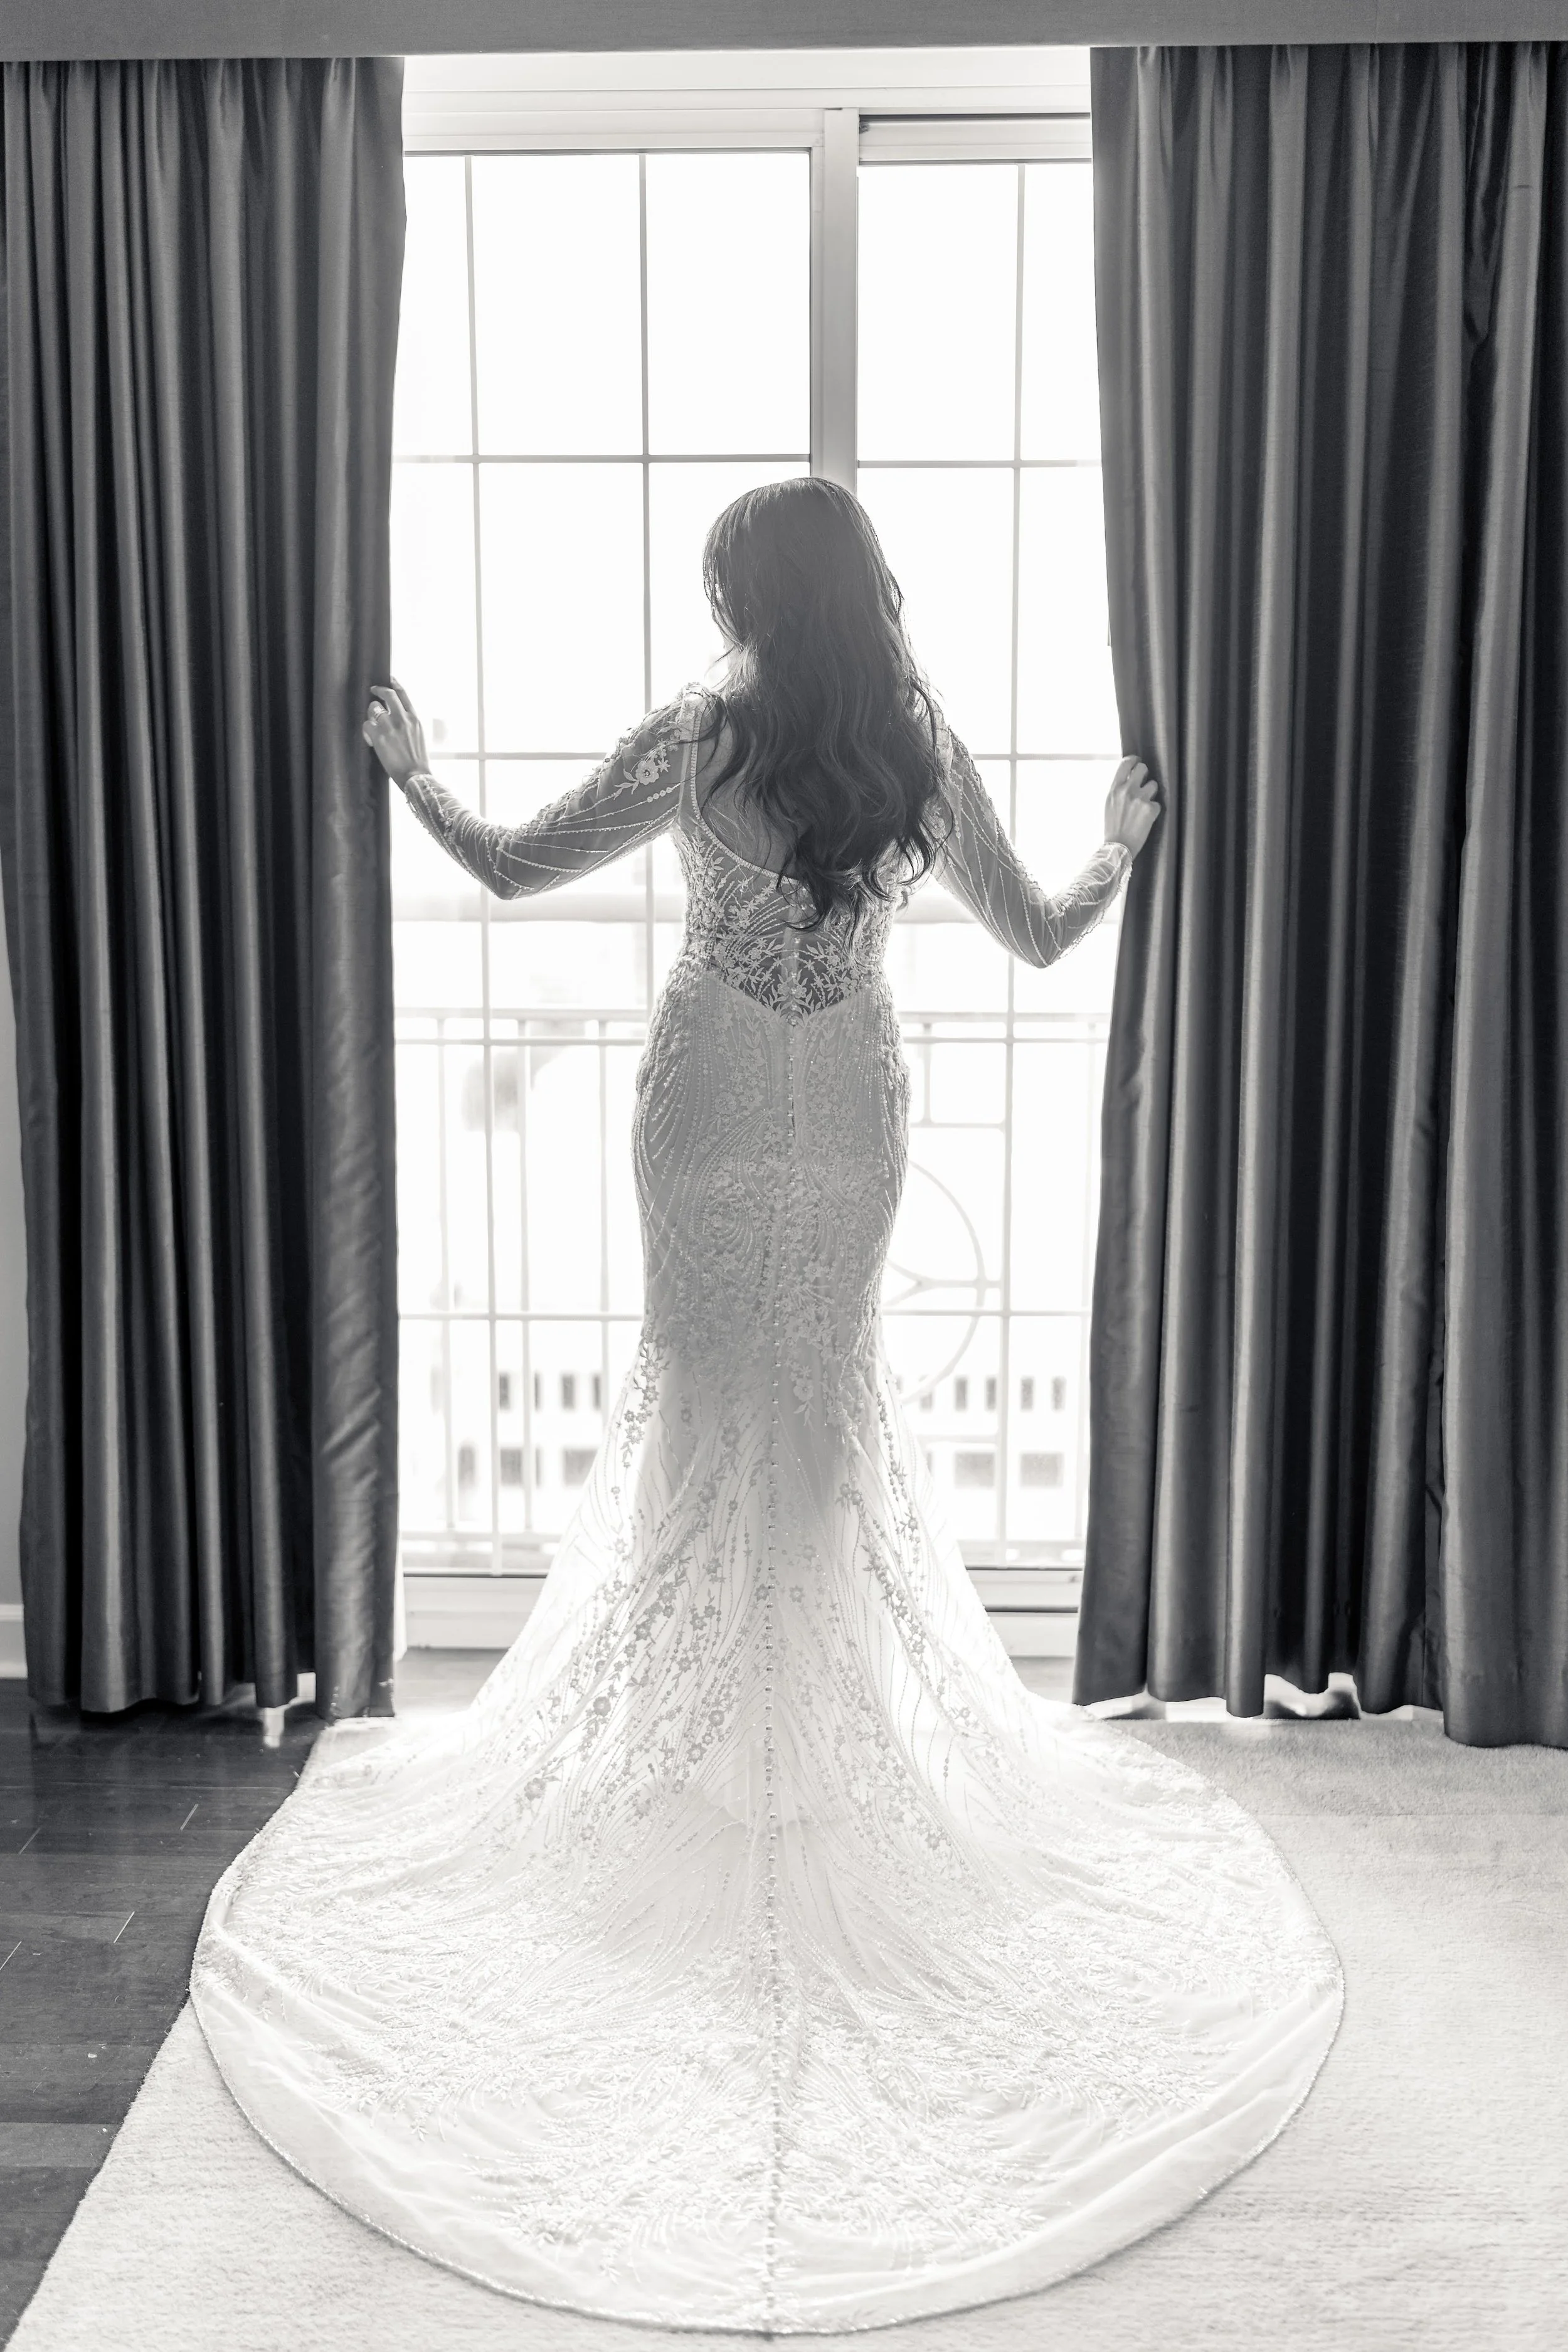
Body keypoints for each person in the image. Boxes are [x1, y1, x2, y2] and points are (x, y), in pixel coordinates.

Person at [191, 480, 1340, 2334]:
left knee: (704, 1420)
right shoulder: (913, 743)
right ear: (860, 594)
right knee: (816, 1424)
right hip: (849, 1117)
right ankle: (794, 1757)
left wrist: (412, 766)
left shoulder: (695, 732)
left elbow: (504, 859)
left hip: (711, 1105)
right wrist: (1121, 845)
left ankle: (716, 1754)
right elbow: (1041, 932)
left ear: (742, 596)